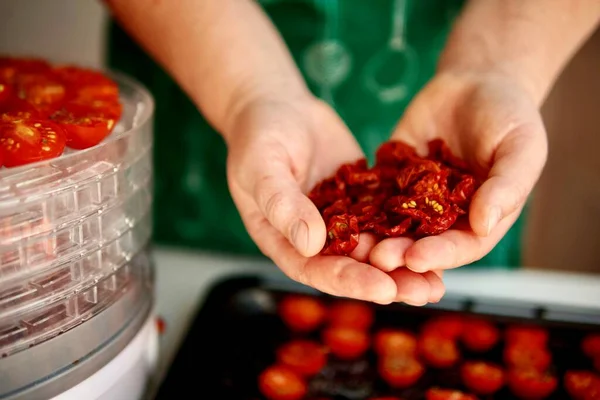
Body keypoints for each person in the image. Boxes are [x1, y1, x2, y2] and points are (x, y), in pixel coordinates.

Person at [102, 0, 600, 306]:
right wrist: (248, 96)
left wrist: (496, 70)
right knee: (183, 296)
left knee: (456, 277)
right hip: (202, 75)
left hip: (466, 54)